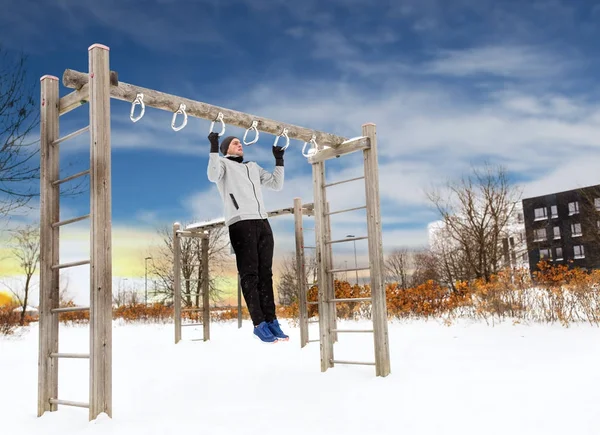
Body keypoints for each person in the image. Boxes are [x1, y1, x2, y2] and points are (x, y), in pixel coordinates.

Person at [206, 132, 289, 343]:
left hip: (262, 222)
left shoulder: (253, 167)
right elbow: (212, 175)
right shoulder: (223, 165)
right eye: (235, 143)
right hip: (240, 222)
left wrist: (279, 160)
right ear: (226, 149)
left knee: (266, 274)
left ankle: (272, 321)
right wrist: (214, 148)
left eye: (240, 142)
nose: (240, 144)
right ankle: (259, 323)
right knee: (250, 274)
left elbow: (275, 184)